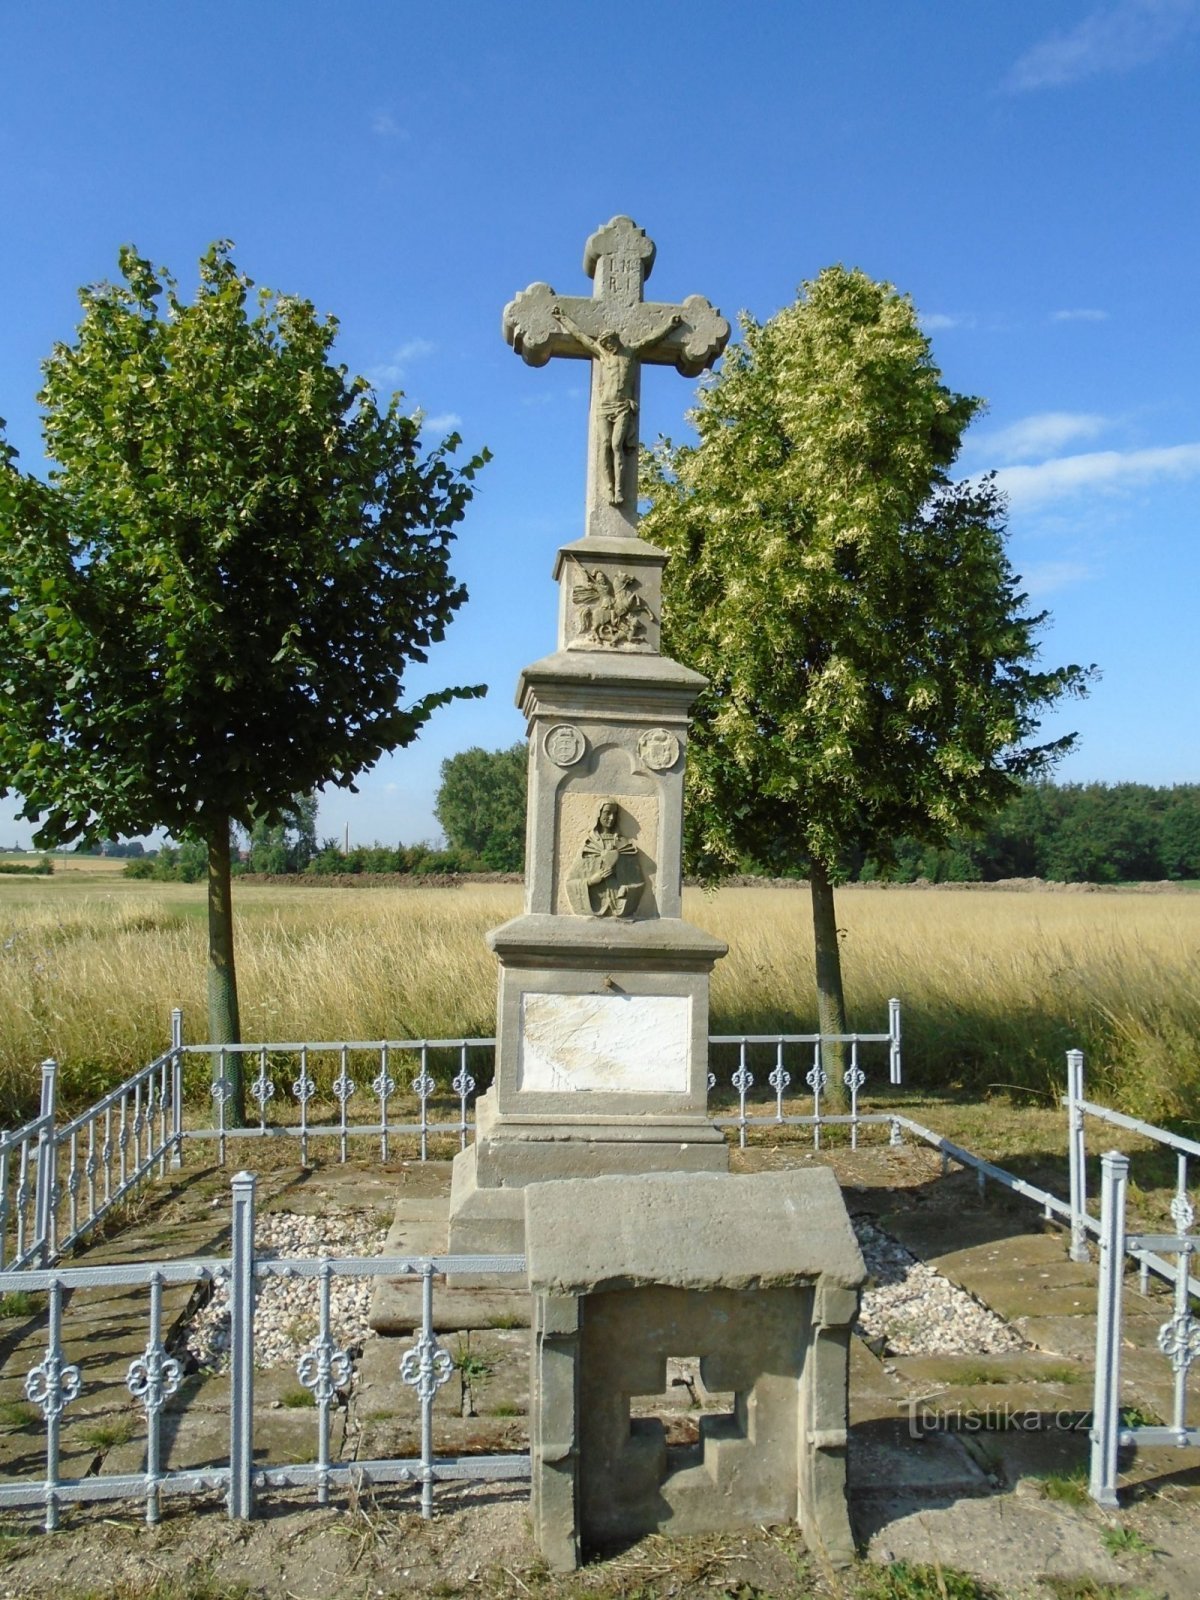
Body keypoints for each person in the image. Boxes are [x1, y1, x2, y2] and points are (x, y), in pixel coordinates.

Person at [551, 304, 682, 505]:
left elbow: (651, 339)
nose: (606, 346)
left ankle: (620, 490)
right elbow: (581, 337)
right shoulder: (603, 356)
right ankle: (609, 488)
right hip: (604, 408)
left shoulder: (631, 353)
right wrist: (562, 319)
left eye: (608, 342)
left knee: (616, 445)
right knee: (604, 445)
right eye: (603, 343)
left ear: (615, 339)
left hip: (622, 407)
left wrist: (670, 327)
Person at [564, 800, 645, 917]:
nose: (611, 817)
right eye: (607, 813)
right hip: (595, 904)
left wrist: (627, 889)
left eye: (615, 813)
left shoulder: (625, 844)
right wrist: (590, 881)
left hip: (620, 906)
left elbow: (639, 883)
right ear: (599, 814)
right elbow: (571, 883)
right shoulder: (589, 845)